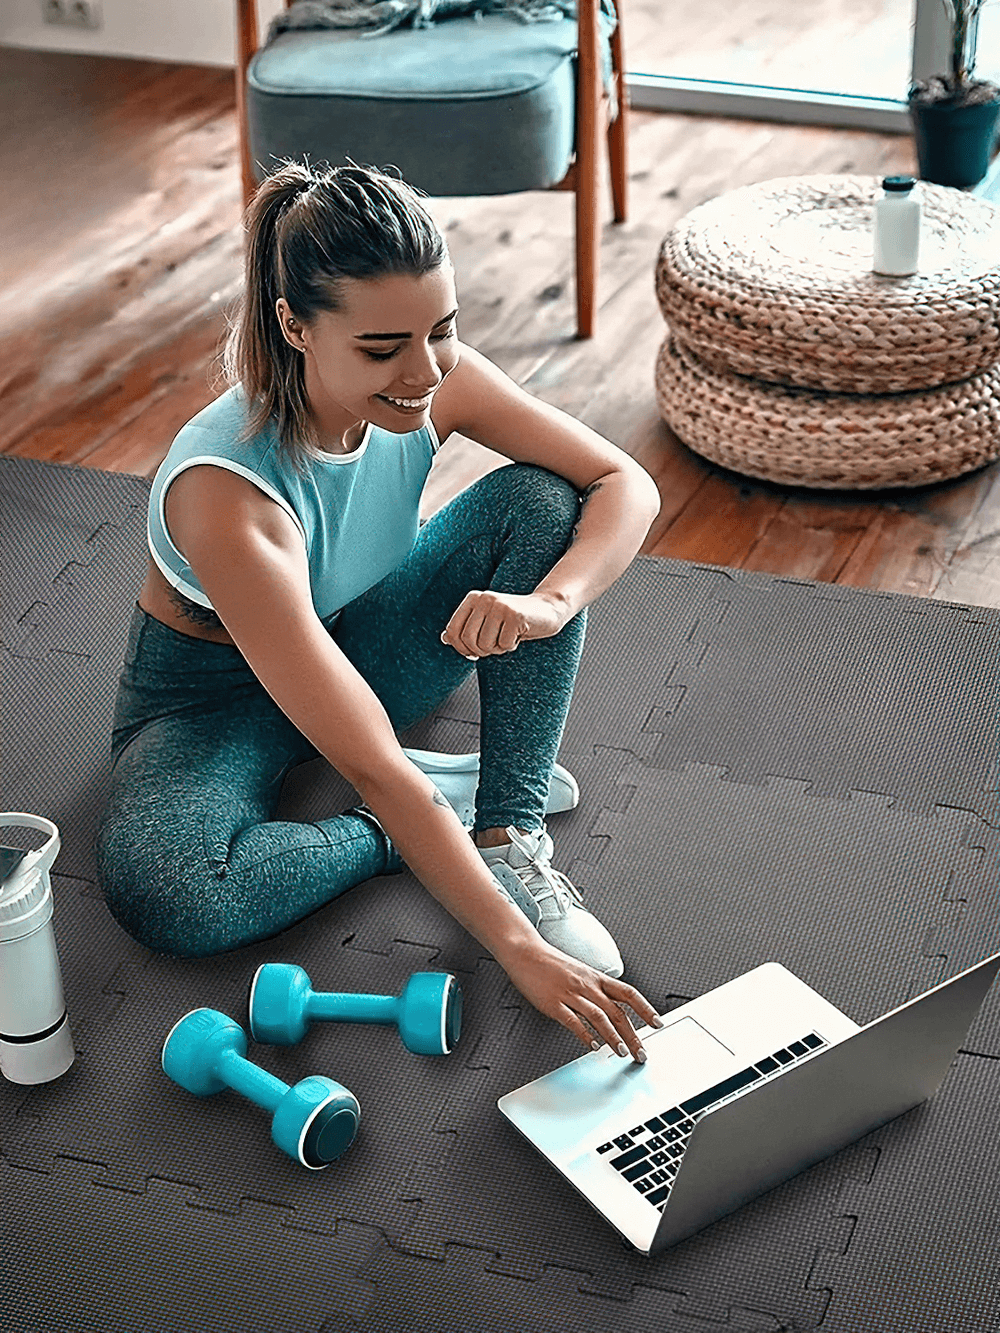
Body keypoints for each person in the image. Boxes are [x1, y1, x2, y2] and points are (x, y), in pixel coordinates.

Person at [96, 159, 664, 1063]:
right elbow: (372, 763)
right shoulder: (226, 494)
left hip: (353, 637)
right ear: (294, 324)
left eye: (442, 329)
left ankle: (505, 821)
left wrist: (552, 603)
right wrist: (517, 953)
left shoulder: (437, 380)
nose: (425, 369)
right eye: (382, 348)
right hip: (207, 698)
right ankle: (410, 829)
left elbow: (620, 481)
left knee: (542, 504)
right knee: (172, 894)